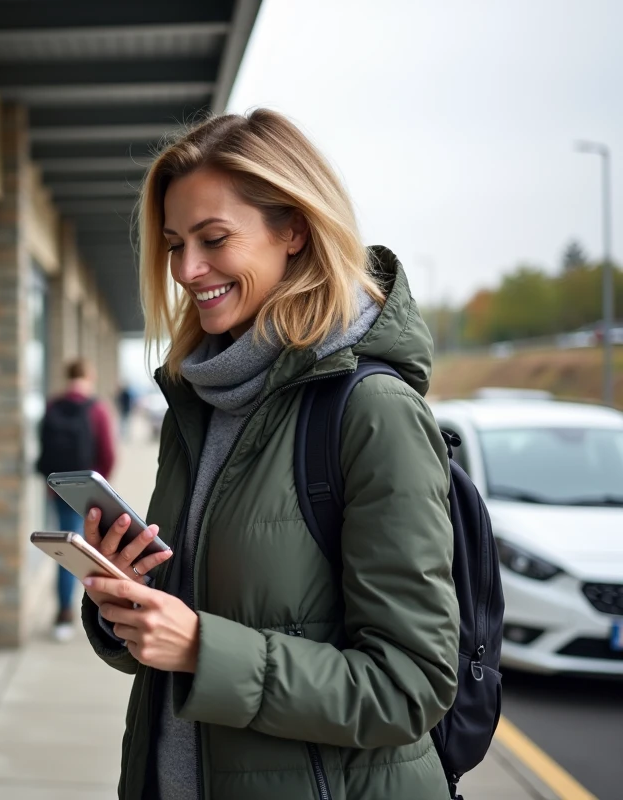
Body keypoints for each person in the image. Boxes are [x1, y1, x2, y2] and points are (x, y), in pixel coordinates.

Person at [78, 110, 459, 799]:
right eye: (173, 244)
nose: (187, 270)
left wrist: (202, 650)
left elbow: (411, 687)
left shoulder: (371, 411)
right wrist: (124, 603)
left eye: (213, 238)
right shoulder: (198, 402)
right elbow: (186, 625)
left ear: (294, 230)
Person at [36, 359, 116, 642]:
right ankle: (97, 610)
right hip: (87, 491)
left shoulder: (52, 405)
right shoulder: (96, 408)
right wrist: (97, 488)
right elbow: (108, 454)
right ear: (89, 376)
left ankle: (63, 612)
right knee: (91, 550)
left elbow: (43, 449)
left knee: (66, 549)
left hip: (57, 488)